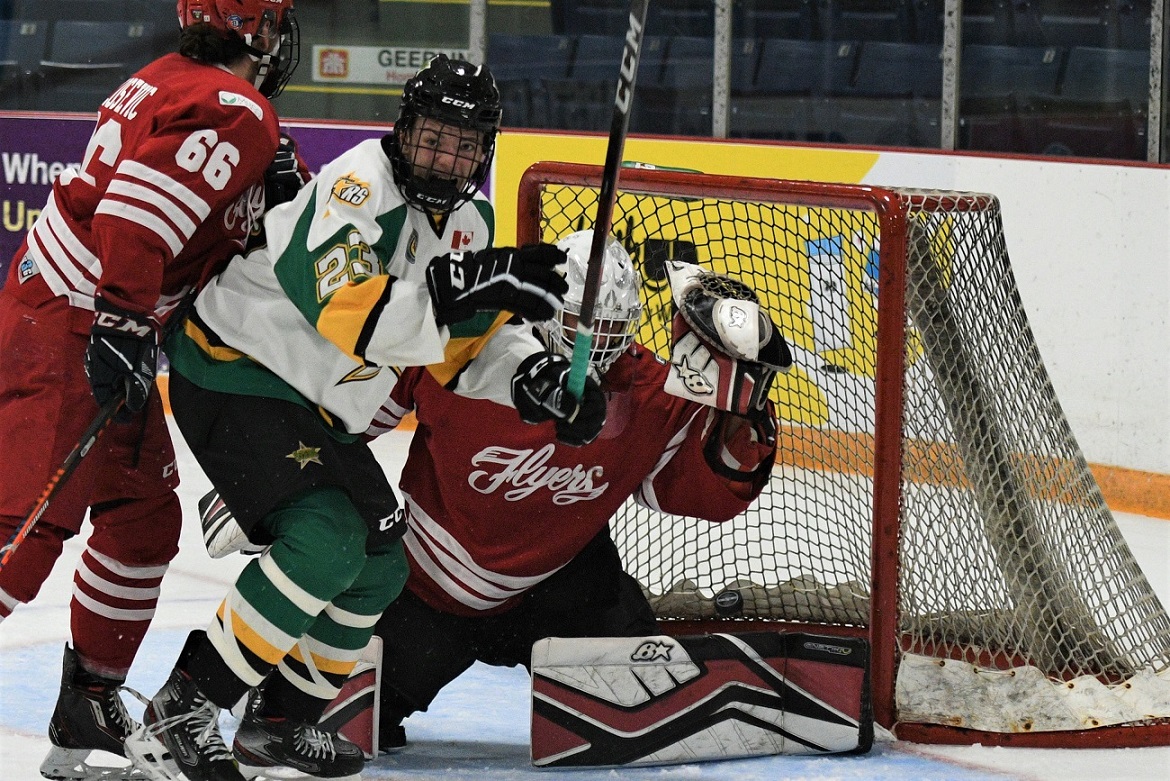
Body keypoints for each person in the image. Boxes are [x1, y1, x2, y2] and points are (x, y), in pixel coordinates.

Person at [124, 55, 593, 781]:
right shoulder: (353, 188)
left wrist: (532, 377)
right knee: (328, 539)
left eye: (465, 145)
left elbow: (461, 348)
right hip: (233, 369)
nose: (447, 156)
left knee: (379, 563)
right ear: (405, 130)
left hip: (313, 404)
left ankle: (278, 721)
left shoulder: (471, 219)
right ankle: (176, 712)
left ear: (484, 151)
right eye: (434, 137)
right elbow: (354, 316)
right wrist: (468, 285)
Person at [0, 2, 300, 779]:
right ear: (258, 33)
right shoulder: (239, 108)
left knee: (141, 518)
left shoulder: (172, 80)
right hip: (78, 324)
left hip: (74, 313)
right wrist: (125, 323)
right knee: (21, 538)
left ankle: (88, 702)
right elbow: (135, 217)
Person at [365, 230, 786, 751]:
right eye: (585, 324)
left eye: (614, 327)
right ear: (543, 310)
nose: (600, 343)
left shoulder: (646, 392)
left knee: (650, 713)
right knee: (346, 718)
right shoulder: (464, 350)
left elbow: (692, 493)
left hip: (561, 592)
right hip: (428, 594)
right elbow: (344, 416)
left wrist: (742, 420)